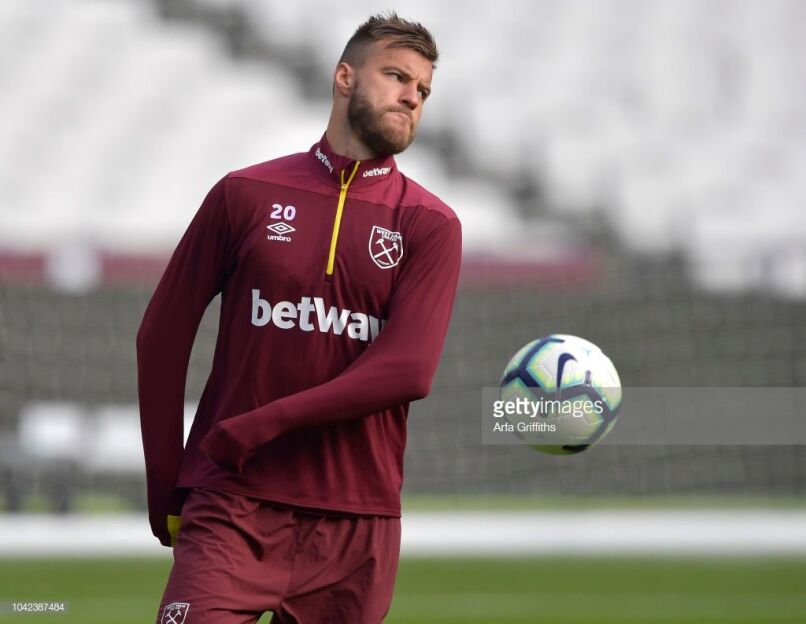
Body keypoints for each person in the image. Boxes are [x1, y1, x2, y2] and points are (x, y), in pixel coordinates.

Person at [137, 11, 461, 624]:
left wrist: (262, 424)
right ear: (345, 77)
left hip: (356, 524)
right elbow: (161, 337)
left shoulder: (431, 224)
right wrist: (165, 483)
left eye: (423, 90)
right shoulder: (244, 193)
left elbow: (407, 371)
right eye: (396, 76)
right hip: (231, 502)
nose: (411, 97)